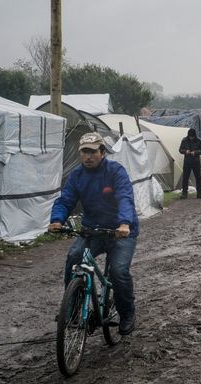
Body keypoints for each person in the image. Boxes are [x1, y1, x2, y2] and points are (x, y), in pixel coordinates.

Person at [48, 132, 139, 335]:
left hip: (120, 231)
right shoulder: (77, 175)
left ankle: (127, 313)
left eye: (92, 152)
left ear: (102, 152)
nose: (88, 156)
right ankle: (74, 308)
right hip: (92, 230)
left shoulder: (116, 171)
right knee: (74, 258)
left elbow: (125, 197)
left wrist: (124, 223)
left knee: (118, 271)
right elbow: (66, 200)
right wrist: (56, 220)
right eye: (84, 152)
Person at [179, 128, 201, 199]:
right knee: (185, 178)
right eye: (190, 136)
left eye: (192, 136)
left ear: (195, 136)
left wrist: (195, 152)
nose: (191, 138)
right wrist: (185, 151)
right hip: (187, 162)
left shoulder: (199, 141)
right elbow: (180, 150)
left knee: (198, 177)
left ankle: (199, 193)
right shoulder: (184, 140)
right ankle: (184, 193)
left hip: (196, 161)